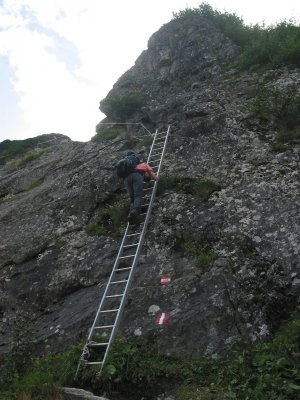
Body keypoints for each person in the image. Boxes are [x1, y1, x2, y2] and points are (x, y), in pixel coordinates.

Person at [124, 157, 159, 224]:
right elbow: (154, 178)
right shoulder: (144, 165)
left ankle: (130, 214)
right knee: (138, 195)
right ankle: (135, 211)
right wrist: (157, 178)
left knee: (132, 198)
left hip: (126, 179)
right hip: (136, 176)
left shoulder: (129, 168)